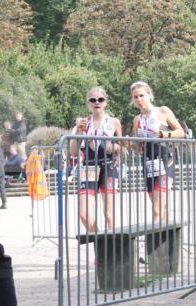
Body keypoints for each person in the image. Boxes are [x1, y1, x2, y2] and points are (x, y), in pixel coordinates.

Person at [131, 81, 184, 222]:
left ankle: (154, 243)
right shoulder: (137, 119)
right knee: (160, 209)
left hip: (165, 160)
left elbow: (181, 131)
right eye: (135, 97)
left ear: (149, 95)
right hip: (148, 162)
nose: (139, 99)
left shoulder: (163, 111)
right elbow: (138, 146)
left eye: (141, 95)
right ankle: (167, 242)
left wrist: (166, 135)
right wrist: (134, 144)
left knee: (157, 210)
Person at [72, 86, 122, 232]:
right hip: (88, 167)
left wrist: (116, 148)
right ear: (88, 103)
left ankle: (112, 251)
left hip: (108, 166)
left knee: (109, 215)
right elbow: (73, 152)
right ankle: (100, 245)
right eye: (93, 100)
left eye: (100, 99)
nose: (97, 102)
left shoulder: (114, 122)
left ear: (106, 102)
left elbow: (123, 147)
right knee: (84, 215)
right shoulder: (82, 123)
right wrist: (79, 133)